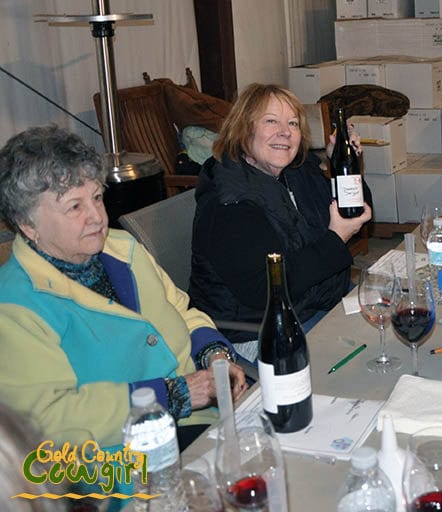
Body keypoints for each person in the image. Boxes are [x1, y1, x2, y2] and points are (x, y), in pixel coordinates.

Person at [0, 125, 248, 452]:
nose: (97, 218)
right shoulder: (15, 305)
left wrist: (213, 354)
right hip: (120, 461)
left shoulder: (122, 248)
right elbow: (50, 420)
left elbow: (182, 311)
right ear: (27, 223)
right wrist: (173, 395)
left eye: (97, 197)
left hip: (203, 421)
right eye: (75, 206)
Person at [189, 83, 373, 355]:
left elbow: (356, 212)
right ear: (244, 129)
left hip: (311, 303)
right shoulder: (229, 201)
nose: (285, 132)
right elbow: (265, 290)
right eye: (271, 121)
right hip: (258, 329)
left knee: (388, 320)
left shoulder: (294, 172)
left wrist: (344, 169)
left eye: (293, 123)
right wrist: (336, 238)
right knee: (367, 354)